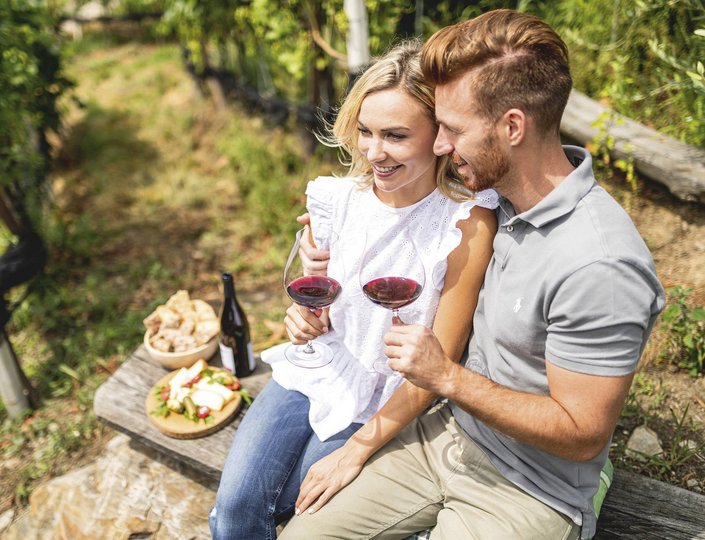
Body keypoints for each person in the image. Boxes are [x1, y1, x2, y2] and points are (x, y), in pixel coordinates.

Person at [279, 9, 665, 540]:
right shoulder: (500, 201)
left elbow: (582, 435)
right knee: (301, 534)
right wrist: (334, 243)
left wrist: (447, 377)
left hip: (530, 488)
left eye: (452, 130)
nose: (438, 145)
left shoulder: (600, 264)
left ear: (512, 127)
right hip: (445, 437)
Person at [208, 40, 498, 540]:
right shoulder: (333, 199)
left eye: (396, 136)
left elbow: (438, 364)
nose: (373, 152)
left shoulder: (464, 225)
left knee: (299, 512)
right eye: (365, 131)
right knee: (235, 510)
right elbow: (316, 304)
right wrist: (302, 318)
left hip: (390, 396)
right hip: (320, 367)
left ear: (439, 137)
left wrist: (357, 450)